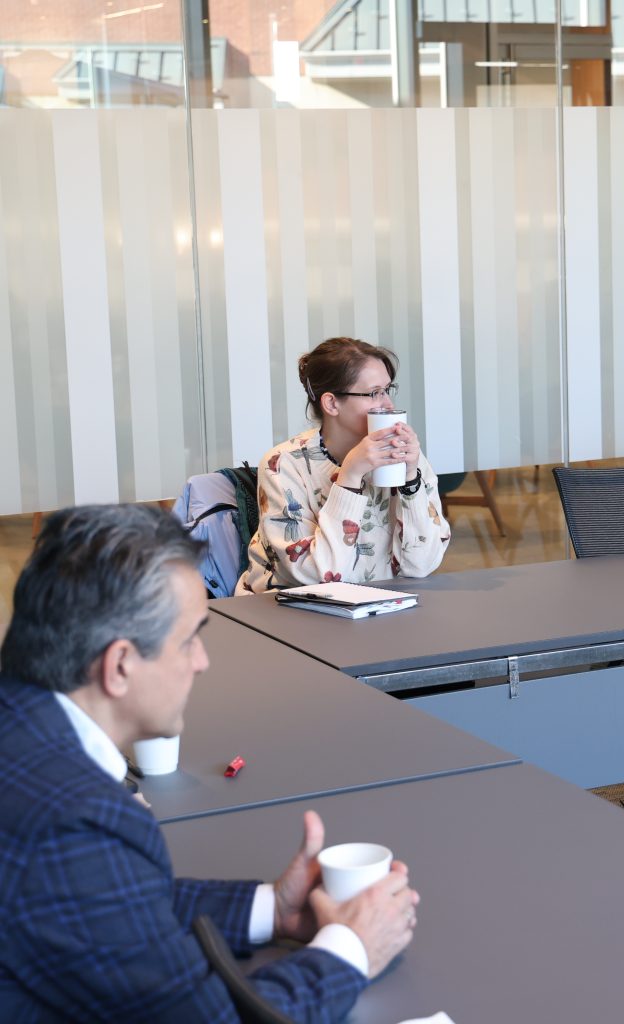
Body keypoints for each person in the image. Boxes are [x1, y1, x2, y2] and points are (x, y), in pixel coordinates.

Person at [0, 504, 419, 1022]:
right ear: (120, 665)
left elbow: (113, 910)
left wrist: (273, 910)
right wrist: (350, 948)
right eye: (188, 640)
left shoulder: (22, 736)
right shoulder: (72, 822)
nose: (202, 661)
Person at [238, 337, 450, 594]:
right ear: (331, 403)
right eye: (374, 393)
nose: (388, 405)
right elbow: (315, 576)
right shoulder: (284, 464)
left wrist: (411, 479)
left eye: (387, 390)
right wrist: (349, 476)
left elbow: (422, 565)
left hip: (377, 607)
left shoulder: (403, 456)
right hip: (287, 608)